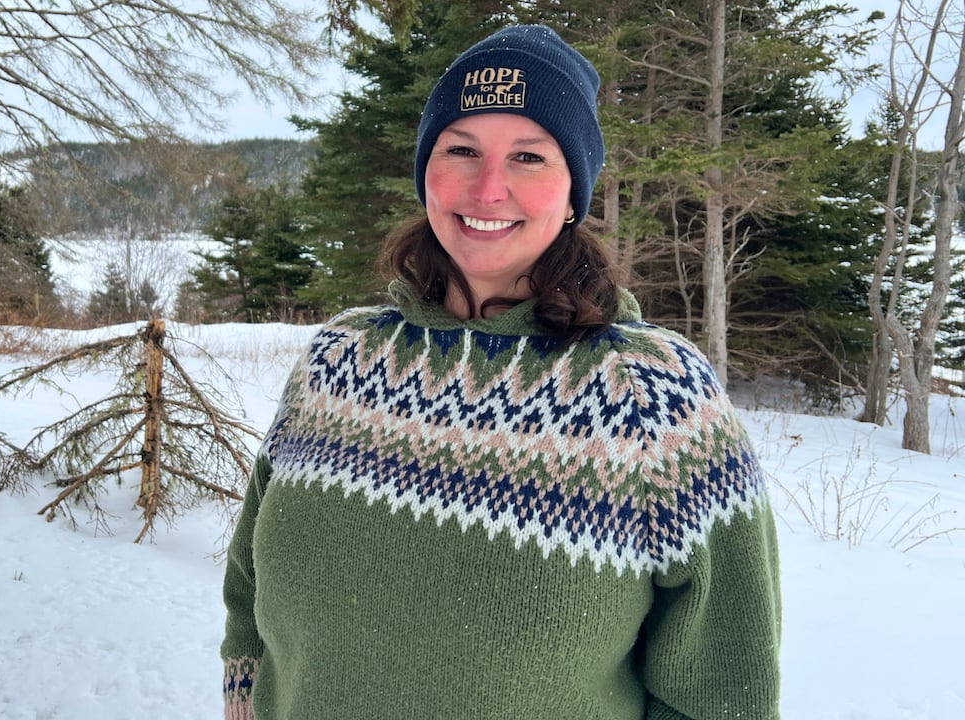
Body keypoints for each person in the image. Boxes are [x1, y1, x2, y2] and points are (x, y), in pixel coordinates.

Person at [220, 24, 781, 720]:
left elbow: (723, 680)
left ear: (573, 191)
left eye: (528, 156)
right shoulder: (336, 362)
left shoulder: (652, 398)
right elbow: (250, 582)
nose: (489, 189)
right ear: (426, 170)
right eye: (461, 150)